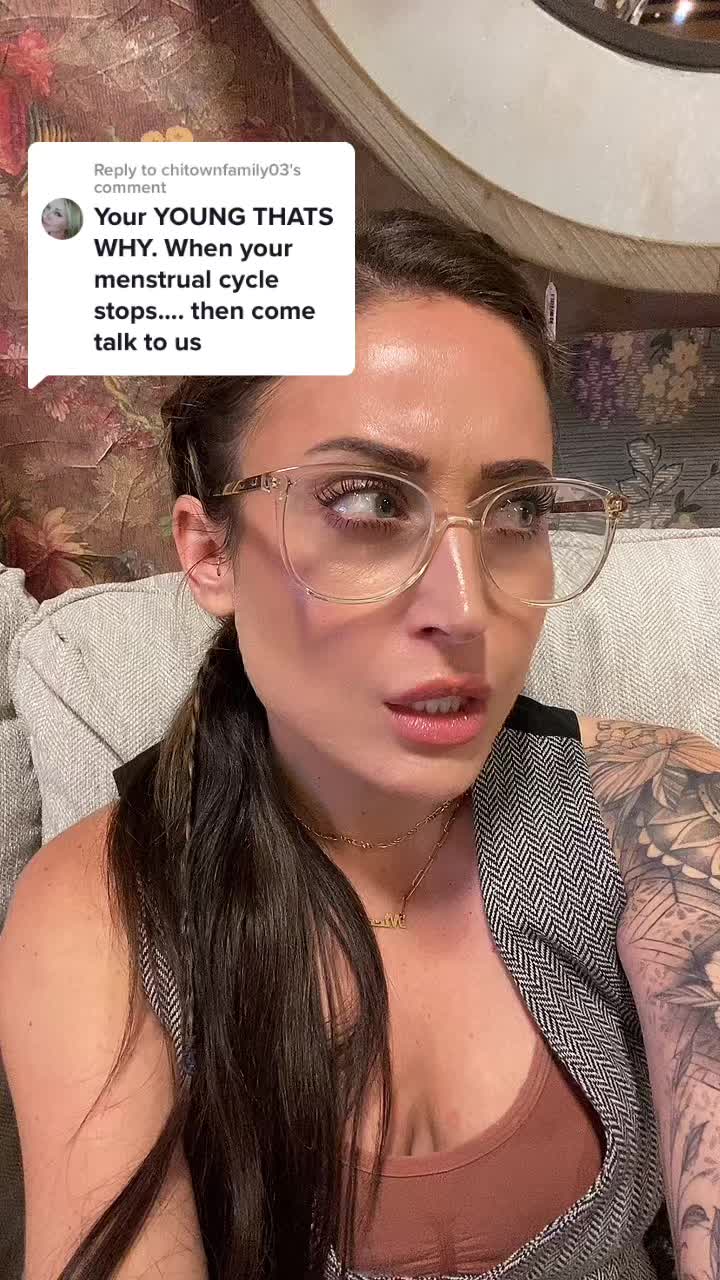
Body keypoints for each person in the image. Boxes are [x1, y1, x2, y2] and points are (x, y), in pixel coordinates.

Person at [1, 208, 718, 1280]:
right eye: (371, 500)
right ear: (209, 553)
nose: (467, 608)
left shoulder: (660, 807)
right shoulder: (110, 904)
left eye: (518, 509)